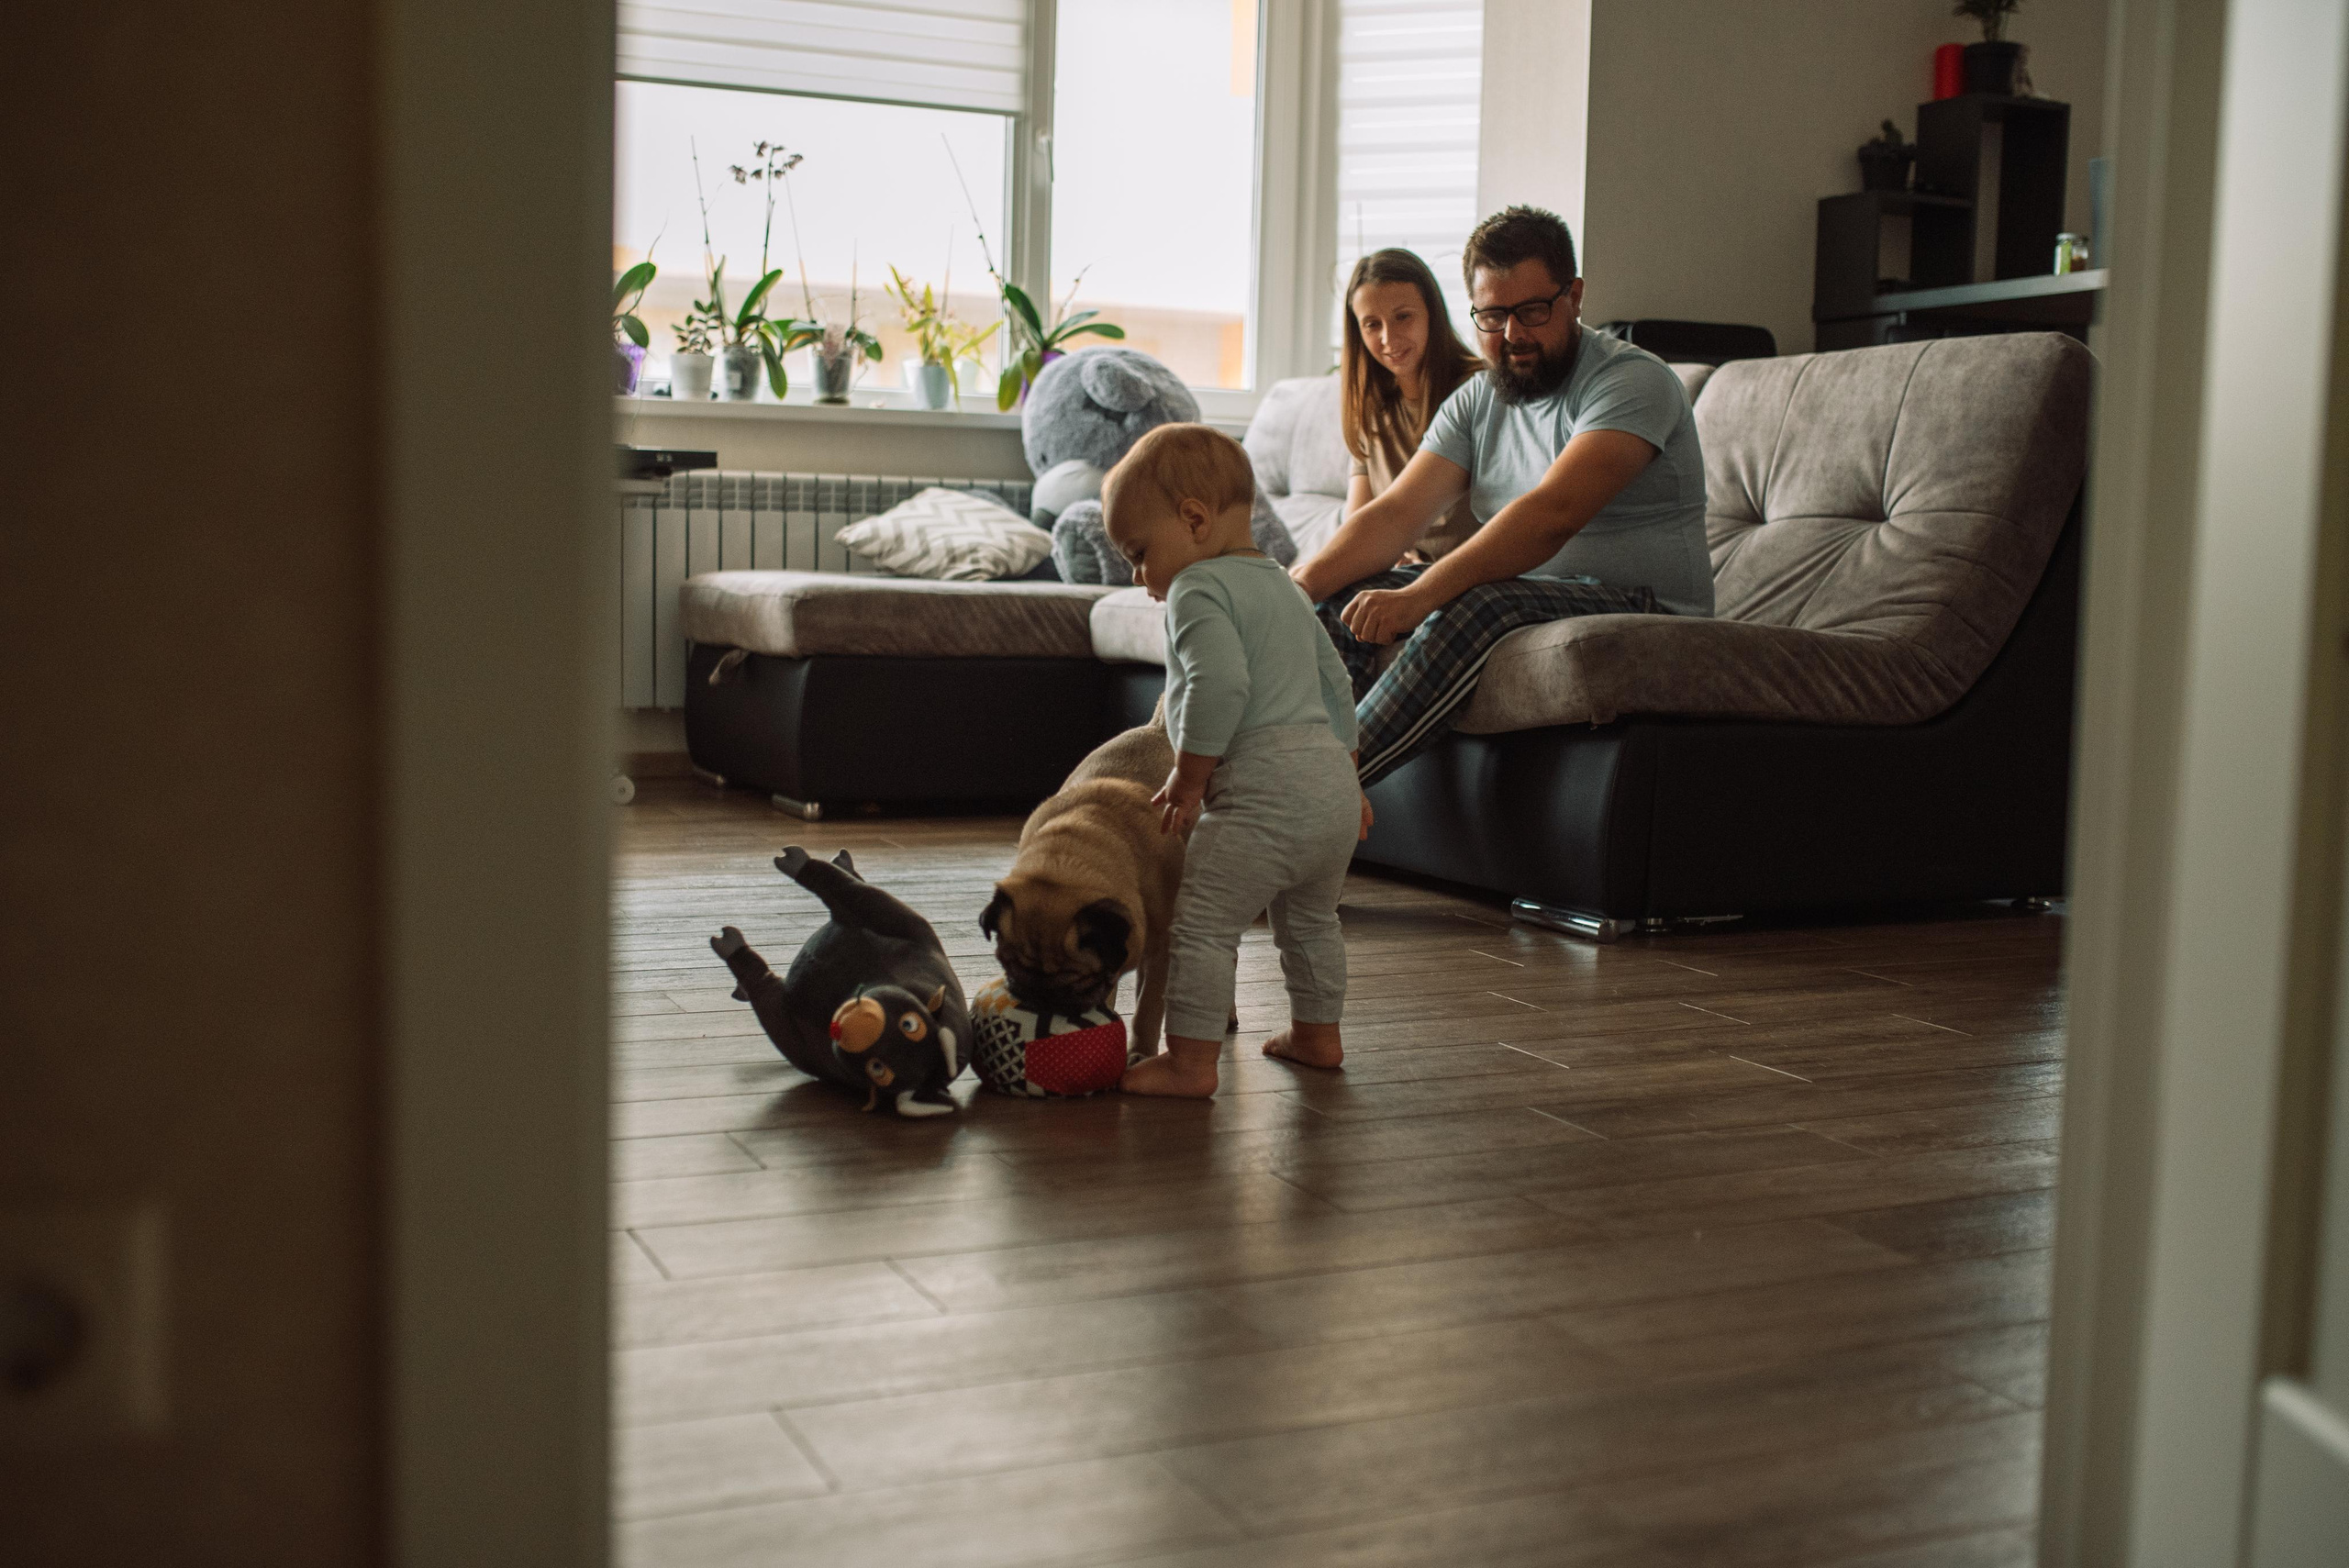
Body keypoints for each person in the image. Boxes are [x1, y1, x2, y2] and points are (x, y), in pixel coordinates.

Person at [1292, 206, 1710, 787]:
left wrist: (1418, 597)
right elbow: (1396, 512)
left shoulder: (1632, 382)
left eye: (1532, 311)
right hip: (1531, 594)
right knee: (1338, 596)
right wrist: (1301, 584)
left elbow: (1550, 516)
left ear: (1575, 297)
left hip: (1647, 604)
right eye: (1491, 316)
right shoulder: (1477, 399)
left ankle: (1314, 796)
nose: (1513, 334)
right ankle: (1279, 775)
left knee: (1476, 601)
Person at [1103, 424, 1371, 1098]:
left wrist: (1189, 778)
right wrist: (1351, 776)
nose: (1139, 576)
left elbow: (1220, 685)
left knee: (1202, 922)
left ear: (1193, 520)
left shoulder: (1197, 588)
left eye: (1139, 553)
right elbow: (1335, 682)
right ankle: (1317, 1035)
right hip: (1331, 789)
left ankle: (1189, 1063)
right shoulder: (1283, 585)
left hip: (1264, 795)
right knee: (1310, 920)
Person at [1340, 248, 1484, 562]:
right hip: (1402, 573)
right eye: (1372, 325)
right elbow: (1357, 525)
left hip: (1468, 574)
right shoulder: (1371, 407)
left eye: (1403, 317)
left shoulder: (1478, 390)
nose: (1389, 338)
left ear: (1432, 314)